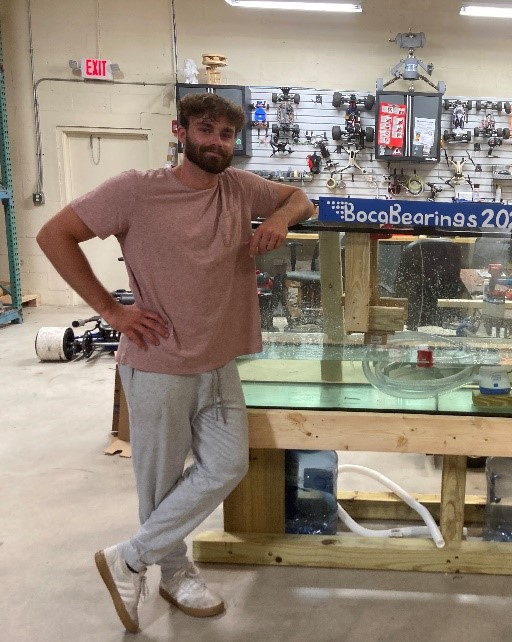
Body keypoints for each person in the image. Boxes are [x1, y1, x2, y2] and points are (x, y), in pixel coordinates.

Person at [36, 92, 314, 633]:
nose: (216, 143)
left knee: (227, 465)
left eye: (227, 135)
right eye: (205, 130)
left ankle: (130, 558)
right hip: (158, 363)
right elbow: (54, 234)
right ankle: (173, 572)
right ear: (180, 131)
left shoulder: (240, 188)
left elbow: (301, 197)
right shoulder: (135, 190)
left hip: (220, 362)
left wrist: (280, 217)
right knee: (159, 484)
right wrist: (111, 311)